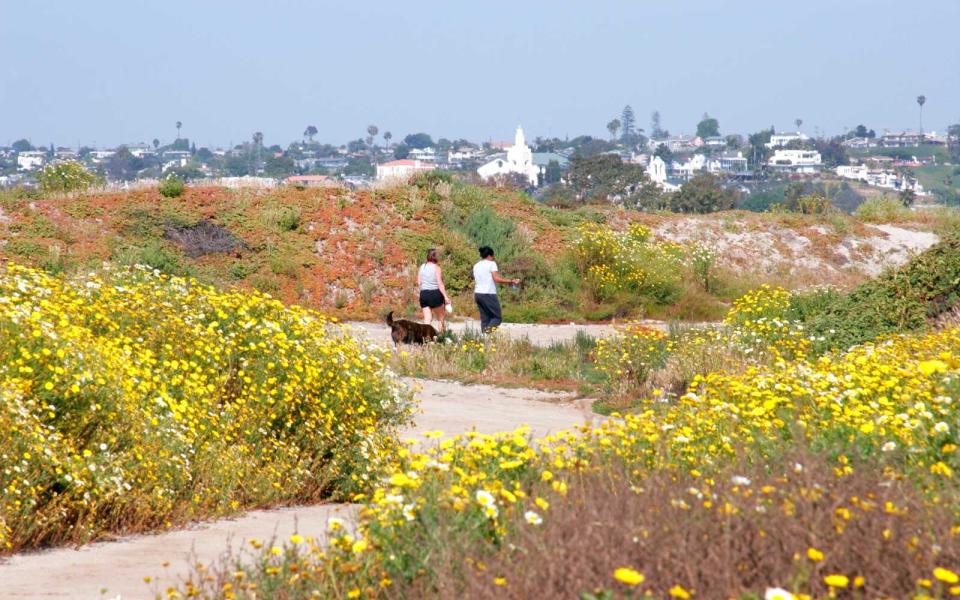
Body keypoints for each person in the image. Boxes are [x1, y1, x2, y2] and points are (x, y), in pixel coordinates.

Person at [472, 246, 519, 333]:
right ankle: (486, 333)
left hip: (478, 294)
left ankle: (484, 339)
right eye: (493, 256)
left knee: (485, 318)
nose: (494, 258)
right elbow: (496, 279)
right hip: (488, 293)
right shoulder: (491, 264)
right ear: (489, 255)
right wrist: (511, 281)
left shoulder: (476, 265)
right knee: (497, 318)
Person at [416, 248, 451, 333]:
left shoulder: (422, 267)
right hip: (434, 294)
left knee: (427, 319)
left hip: (424, 294)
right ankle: (442, 338)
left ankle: (425, 340)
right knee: (440, 318)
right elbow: (440, 284)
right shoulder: (436, 268)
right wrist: (446, 297)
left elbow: (419, 282)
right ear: (436, 257)